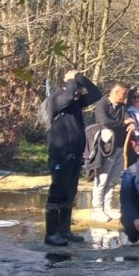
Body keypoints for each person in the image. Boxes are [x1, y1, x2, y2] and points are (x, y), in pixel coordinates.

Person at [43, 69, 101, 246]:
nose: (79, 91)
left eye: (79, 88)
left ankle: (64, 230)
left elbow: (96, 94)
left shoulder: (76, 102)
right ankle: (51, 234)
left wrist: (80, 78)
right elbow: (68, 96)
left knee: (70, 192)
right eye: (77, 87)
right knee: (57, 191)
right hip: (61, 153)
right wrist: (70, 80)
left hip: (75, 153)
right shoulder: (57, 98)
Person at [91, 81, 133, 222]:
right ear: (116, 92)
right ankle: (97, 209)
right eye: (124, 94)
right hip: (106, 147)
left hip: (120, 146)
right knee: (102, 178)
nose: (125, 96)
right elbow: (105, 121)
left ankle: (107, 207)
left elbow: (128, 118)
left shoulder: (122, 107)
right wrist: (123, 123)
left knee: (113, 179)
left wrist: (131, 123)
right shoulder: (102, 104)